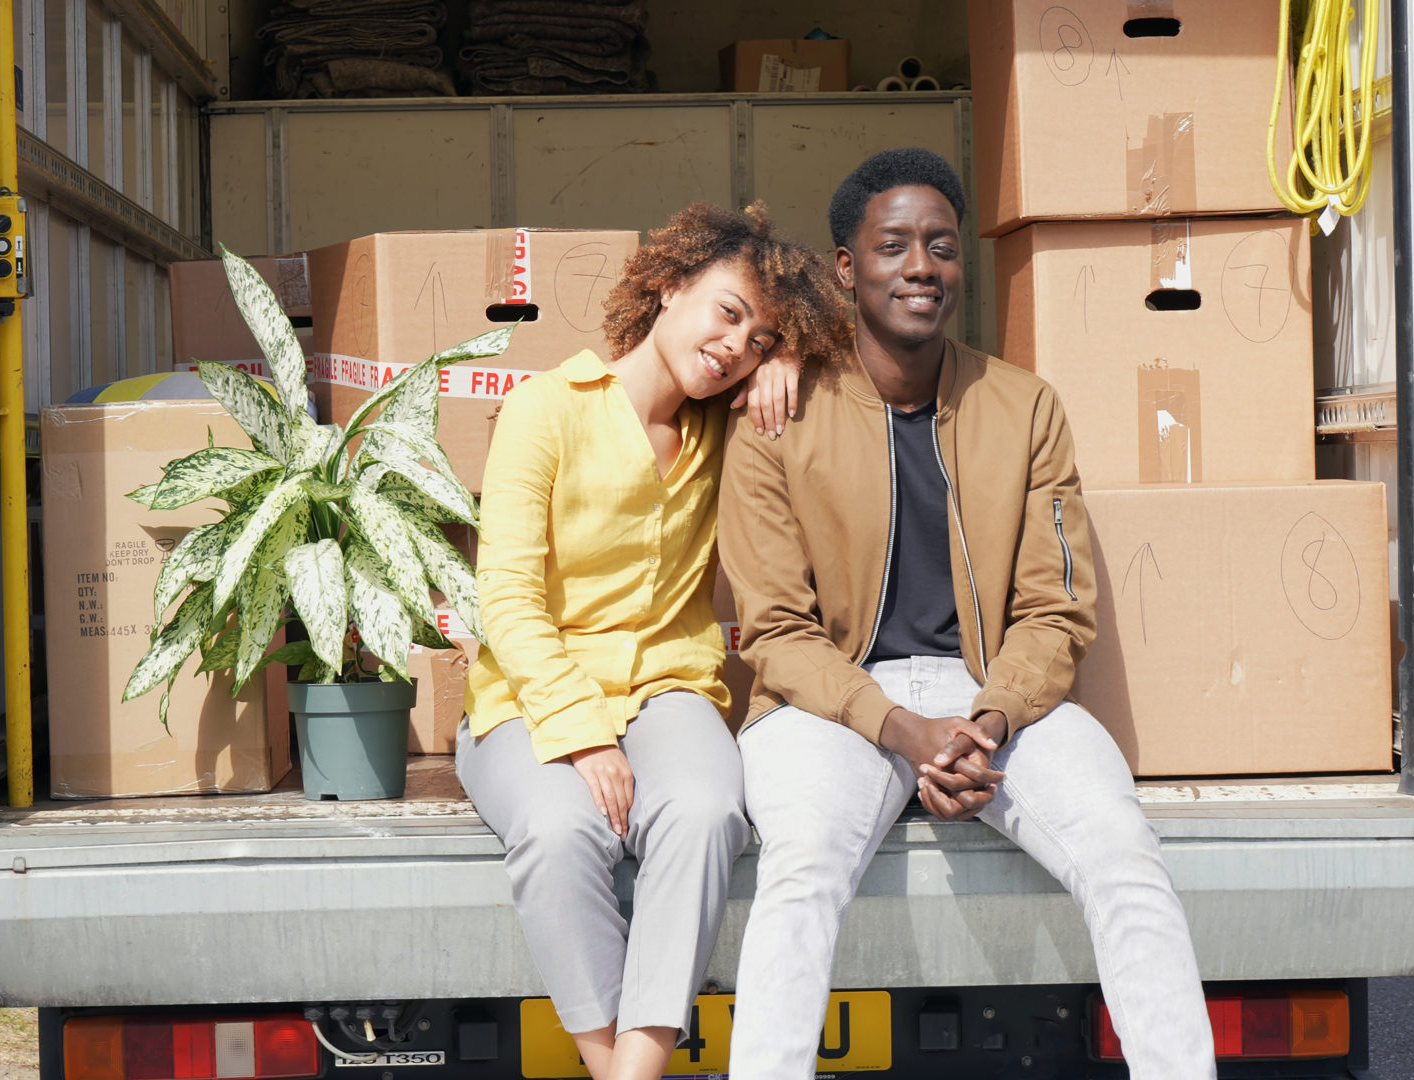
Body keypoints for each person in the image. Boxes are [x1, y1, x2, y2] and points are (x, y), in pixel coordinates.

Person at [718, 148, 1217, 1080]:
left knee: (1123, 850)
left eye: (941, 247)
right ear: (845, 269)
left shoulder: (1025, 408)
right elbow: (777, 634)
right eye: (893, 245)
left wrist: (982, 725)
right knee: (803, 868)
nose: (920, 266)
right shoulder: (776, 415)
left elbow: (1055, 610)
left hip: (994, 696)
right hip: (829, 704)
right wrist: (903, 731)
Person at [457, 201, 850, 1080]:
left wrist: (792, 355)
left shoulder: (729, 427)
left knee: (709, 814)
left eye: (757, 338)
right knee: (560, 832)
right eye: (728, 312)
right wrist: (584, 734)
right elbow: (508, 598)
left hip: (671, 687)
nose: (735, 346)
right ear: (669, 287)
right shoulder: (545, 409)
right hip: (532, 695)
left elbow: (867, 359)